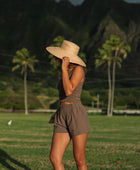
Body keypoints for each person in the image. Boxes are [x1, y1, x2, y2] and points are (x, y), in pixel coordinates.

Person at [46, 40, 91, 170]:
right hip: (62, 113)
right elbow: (63, 96)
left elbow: (69, 90)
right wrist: (58, 112)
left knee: (79, 160)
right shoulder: (66, 70)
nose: (57, 58)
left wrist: (64, 69)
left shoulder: (78, 69)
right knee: (55, 158)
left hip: (76, 114)